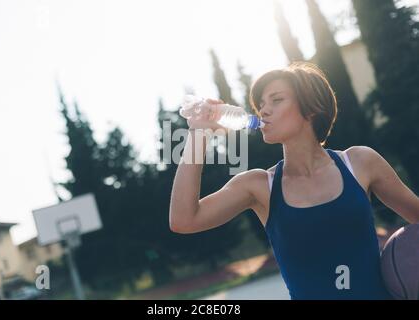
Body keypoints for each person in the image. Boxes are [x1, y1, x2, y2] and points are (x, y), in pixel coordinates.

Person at [169, 62, 419, 300]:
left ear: (311, 108)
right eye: (261, 104)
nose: (263, 110)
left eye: (276, 100)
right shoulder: (258, 186)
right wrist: (198, 133)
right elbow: (183, 220)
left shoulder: (360, 163)